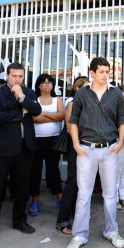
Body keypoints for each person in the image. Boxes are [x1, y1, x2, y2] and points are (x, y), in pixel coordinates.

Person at [64, 57, 124, 248]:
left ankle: (112, 231)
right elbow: (73, 121)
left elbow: (122, 120)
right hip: (86, 149)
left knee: (110, 194)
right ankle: (79, 236)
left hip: (110, 150)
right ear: (92, 73)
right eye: (101, 71)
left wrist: (120, 142)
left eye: (107, 71)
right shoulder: (82, 94)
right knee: (84, 195)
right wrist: (75, 144)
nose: (105, 75)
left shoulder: (116, 93)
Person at [0, 62, 42, 248]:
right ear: (7, 75)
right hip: (3, 149)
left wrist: (22, 97)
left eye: (21, 76)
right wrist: (21, 112)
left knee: (22, 189)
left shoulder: (29, 93)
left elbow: (37, 111)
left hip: (25, 148)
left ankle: (19, 221)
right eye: (14, 76)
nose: (17, 79)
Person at [56, 76, 89, 234]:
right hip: (76, 145)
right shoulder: (72, 103)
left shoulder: (89, 104)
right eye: (85, 86)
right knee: (73, 182)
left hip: (88, 146)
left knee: (83, 183)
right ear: (77, 88)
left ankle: (77, 215)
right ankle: (62, 221)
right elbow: (70, 128)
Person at [29, 73, 65, 216]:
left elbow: (62, 116)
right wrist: (52, 116)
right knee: (35, 170)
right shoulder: (34, 99)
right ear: (39, 85)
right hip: (36, 140)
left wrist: (42, 114)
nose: (47, 85)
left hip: (53, 139)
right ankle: (35, 200)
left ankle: (60, 198)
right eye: (43, 83)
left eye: (50, 82)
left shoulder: (57, 99)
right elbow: (34, 118)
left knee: (53, 169)